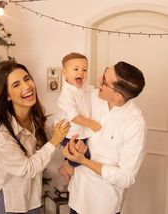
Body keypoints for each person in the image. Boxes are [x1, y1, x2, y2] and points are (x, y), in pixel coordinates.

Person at [0, 61, 70, 214]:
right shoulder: (2, 135)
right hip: (7, 201)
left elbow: (51, 135)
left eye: (27, 79)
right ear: (7, 95)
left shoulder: (35, 115)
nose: (26, 87)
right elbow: (27, 168)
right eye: (16, 85)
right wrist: (54, 142)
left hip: (30, 198)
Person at [63, 61, 147, 214]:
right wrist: (72, 149)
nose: (98, 80)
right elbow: (70, 112)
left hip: (101, 205)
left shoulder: (135, 124)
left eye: (104, 81)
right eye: (104, 72)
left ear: (117, 95)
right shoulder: (90, 95)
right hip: (77, 196)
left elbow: (126, 177)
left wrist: (83, 161)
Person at [56, 52, 101, 182]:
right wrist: (90, 123)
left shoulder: (83, 87)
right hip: (71, 133)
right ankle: (65, 167)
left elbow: (93, 91)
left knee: (84, 151)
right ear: (64, 73)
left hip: (82, 131)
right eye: (75, 69)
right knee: (82, 155)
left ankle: (66, 166)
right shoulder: (66, 95)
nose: (81, 72)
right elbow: (74, 116)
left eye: (84, 69)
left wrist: (99, 85)